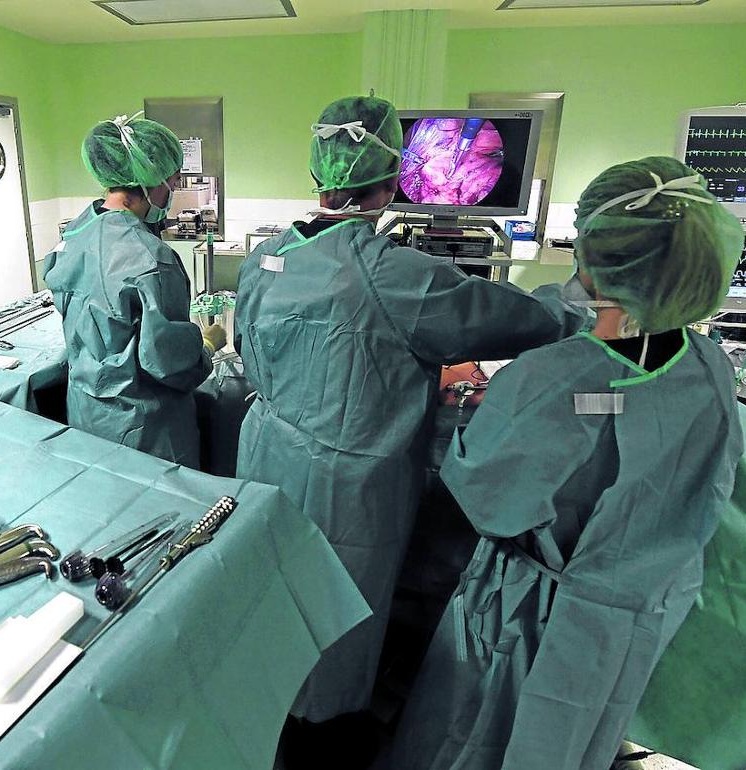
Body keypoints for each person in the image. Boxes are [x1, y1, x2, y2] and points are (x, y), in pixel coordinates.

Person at [232, 95, 586, 761]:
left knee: (273, 599)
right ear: (394, 177)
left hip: (266, 456)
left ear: (318, 172)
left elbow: (250, 356)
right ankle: (321, 743)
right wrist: (580, 296)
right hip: (347, 483)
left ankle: (264, 720)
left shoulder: (265, 256)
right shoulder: (389, 273)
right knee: (336, 617)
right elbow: (516, 319)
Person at [387, 156, 746, 770]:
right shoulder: (709, 366)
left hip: (532, 614)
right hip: (641, 612)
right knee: (581, 737)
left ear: (593, 258)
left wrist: (468, 403)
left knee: (479, 738)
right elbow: (630, 417)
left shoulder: (555, 381)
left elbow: (487, 497)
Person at [44, 111, 225, 468]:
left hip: (86, 411)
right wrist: (205, 347)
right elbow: (168, 362)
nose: (172, 191)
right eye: (173, 181)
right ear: (150, 181)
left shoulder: (75, 234)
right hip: (144, 429)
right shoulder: (150, 258)